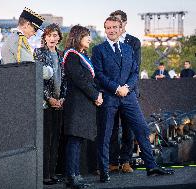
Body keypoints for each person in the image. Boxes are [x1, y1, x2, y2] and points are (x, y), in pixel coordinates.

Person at [91, 16, 174, 183]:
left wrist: (127, 88)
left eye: (115, 27)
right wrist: (116, 88)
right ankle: (104, 172)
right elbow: (98, 75)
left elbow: (135, 72)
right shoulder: (98, 49)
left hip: (128, 97)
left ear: (121, 28)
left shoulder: (128, 49)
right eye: (108, 28)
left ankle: (151, 167)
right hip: (109, 97)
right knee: (105, 136)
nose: (111, 30)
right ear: (105, 29)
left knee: (142, 129)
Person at [63, 25, 103, 188]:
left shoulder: (82, 55)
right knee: (74, 140)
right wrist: (95, 95)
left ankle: (75, 174)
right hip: (76, 105)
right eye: (87, 36)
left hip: (83, 104)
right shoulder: (71, 55)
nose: (89, 39)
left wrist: (98, 93)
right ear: (78, 37)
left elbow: (90, 80)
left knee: (78, 140)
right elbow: (80, 79)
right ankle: (72, 177)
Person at [108, 10, 142, 174]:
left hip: (129, 92)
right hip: (112, 92)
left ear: (125, 23)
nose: (115, 25)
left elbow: (135, 67)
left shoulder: (134, 42)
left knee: (128, 128)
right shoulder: (107, 42)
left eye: (118, 21)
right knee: (112, 128)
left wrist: (125, 88)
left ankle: (126, 161)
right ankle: (113, 162)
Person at [33, 23, 66, 185]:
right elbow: (38, 79)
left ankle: (52, 173)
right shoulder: (39, 53)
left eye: (55, 35)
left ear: (59, 37)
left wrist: (62, 99)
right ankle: (44, 175)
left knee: (55, 140)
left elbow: (65, 80)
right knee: (46, 140)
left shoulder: (61, 55)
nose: (52, 38)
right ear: (44, 37)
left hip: (59, 103)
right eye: (49, 35)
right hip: (45, 104)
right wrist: (49, 98)